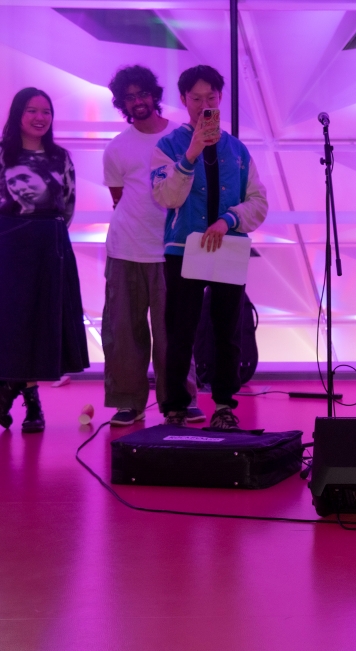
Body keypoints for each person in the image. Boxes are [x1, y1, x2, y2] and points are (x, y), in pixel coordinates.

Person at [151, 65, 267, 429]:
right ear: (183, 100)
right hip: (182, 249)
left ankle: (223, 405)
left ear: (220, 99)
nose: (204, 104)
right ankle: (175, 407)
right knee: (179, 329)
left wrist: (228, 220)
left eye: (211, 98)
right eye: (196, 98)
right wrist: (191, 154)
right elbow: (166, 197)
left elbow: (259, 203)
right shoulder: (168, 146)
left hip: (228, 247)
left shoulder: (238, 149)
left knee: (226, 328)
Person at [103, 65, 204, 427]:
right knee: (124, 334)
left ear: (154, 95)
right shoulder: (116, 148)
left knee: (175, 332)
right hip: (125, 250)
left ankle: (181, 398)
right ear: (122, 103)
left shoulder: (182, 137)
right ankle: (128, 401)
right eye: (129, 97)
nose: (138, 102)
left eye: (142, 93)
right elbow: (120, 199)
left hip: (172, 250)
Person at [0, 87, 89, 432]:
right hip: (8, 247)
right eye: (32, 110)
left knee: (40, 325)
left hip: (48, 248)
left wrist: (43, 236)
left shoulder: (60, 157)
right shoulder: (3, 154)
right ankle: (26, 398)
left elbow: (67, 206)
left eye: (46, 112)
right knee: (11, 326)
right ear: (18, 114)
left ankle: (17, 396)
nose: (40, 117)